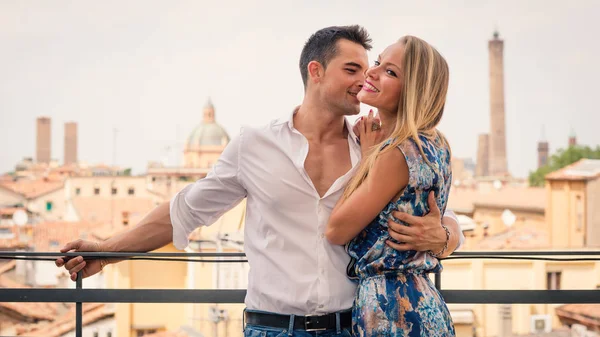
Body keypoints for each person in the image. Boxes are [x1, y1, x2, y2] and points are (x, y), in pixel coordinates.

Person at [55, 26, 463, 337]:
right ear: (315, 71)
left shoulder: (371, 145)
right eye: (352, 69)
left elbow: (438, 214)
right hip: (272, 327)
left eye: (371, 68)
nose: (364, 79)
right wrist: (108, 252)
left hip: (352, 325)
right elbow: (185, 211)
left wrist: (443, 235)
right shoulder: (256, 145)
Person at [325, 36, 455, 336]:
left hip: (391, 309)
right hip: (425, 303)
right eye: (378, 62)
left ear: (413, 92)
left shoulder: (395, 154)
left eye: (391, 72)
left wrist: (368, 159)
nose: (372, 72)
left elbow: (337, 230)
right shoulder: (437, 144)